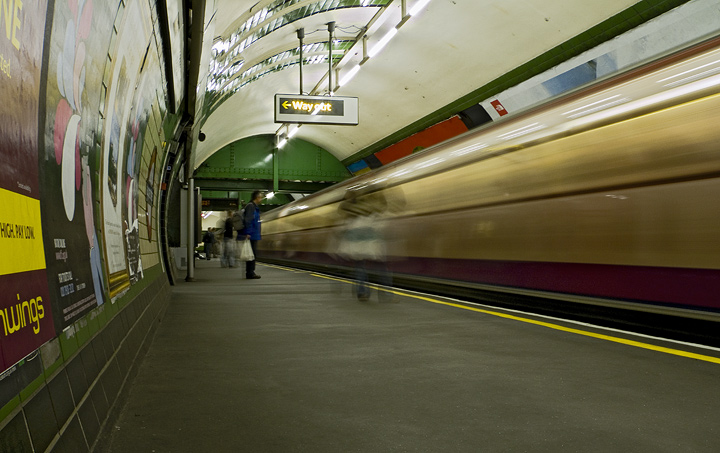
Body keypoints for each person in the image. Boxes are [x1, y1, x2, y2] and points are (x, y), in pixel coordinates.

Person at [243, 191, 263, 279]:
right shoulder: (251, 206)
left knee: (252, 254)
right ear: (257, 197)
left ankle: (251, 272)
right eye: (260, 197)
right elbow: (248, 220)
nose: (261, 199)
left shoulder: (254, 207)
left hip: (254, 233)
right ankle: (250, 273)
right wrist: (248, 232)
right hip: (252, 234)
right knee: (251, 254)